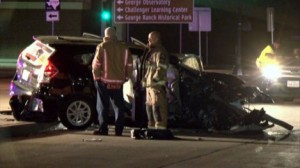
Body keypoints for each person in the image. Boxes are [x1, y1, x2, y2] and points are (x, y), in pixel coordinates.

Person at [92, 27, 133, 136]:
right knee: (118, 106)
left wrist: (96, 77)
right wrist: (126, 78)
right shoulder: (124, 48)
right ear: (115, 35)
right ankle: (119, 130)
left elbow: (96, 64)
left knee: (102, 106)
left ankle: (103, 129)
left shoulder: (102, 47)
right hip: (118, 82)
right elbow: (129, 64)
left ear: (106, 35)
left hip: (104, 81)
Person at [141, 31, 169, 129]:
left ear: (156, 39)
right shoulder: (152, 52)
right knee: (150, 108)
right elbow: (148, 69)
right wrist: (145, 81)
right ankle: (151, 128)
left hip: (156, 87)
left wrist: (154, 80)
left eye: (150, 38)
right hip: (150, 86)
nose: (148, 41)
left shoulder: (161, 53)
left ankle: (160, 128)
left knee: (158, 107)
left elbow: (161, 69)